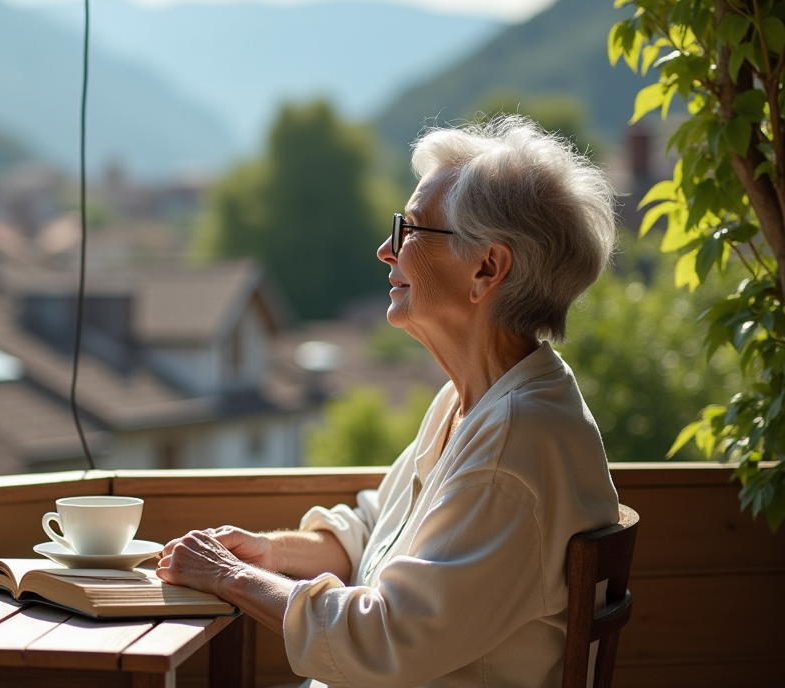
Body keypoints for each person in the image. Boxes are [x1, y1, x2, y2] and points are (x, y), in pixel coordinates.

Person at [156, 115, 621, 688]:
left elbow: (384, 642)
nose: (385, 250)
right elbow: (378, 530)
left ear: (487, 269)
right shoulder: (474, 403)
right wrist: (270, 555)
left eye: (412, 231)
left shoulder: (513, 444)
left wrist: (230, 578)